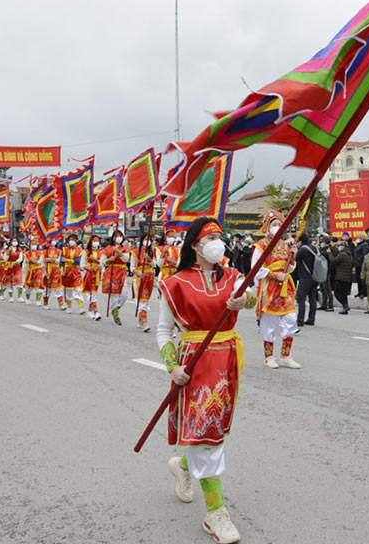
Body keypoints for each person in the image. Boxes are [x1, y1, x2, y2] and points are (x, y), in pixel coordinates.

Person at [156, 217, 254, 544]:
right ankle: (216, 515)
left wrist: (244, 301)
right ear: (195, 245)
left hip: (227, 360)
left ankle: (183, 466)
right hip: (194, 364)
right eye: (210, 236)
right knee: (207, 434)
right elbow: (163, 331)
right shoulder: (176, 283)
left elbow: (251, 296)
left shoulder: (234, 278)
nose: (217, 242)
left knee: (211, 431)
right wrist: (172, 367)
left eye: (219, 236)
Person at [252, 211, 301, 369]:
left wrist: (293, 257)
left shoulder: (285, 245)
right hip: (269, 288)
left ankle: (285, 356)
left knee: (291, 320)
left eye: (280, 225)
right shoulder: (261, 246)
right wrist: (274, 275)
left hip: (286, 288)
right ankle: (269, 357)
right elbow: (256, 270)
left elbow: (291, 268)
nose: (277, 227)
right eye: (274, 224)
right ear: (267, 226)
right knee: (269, 323)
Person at [101, 228, 131, 326]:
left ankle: (115, 308)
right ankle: (115, 316)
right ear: (113, 237)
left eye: (120, 236)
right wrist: (109, 260)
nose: (118, 238)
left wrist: (117, 251)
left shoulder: (125, 248)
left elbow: (126, 259)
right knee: (114, 295)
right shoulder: (107, 248)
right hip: (111, 272)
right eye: (116, 236)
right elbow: (103, 262)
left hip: (122, 272)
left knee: (124, 294)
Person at [132, 235, 156, 332]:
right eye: (145, 239)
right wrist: (137, 273)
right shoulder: (135, 252)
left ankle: (140, 319)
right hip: (139, 278)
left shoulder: (152, 252)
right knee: (142, 299)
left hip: (149, 277)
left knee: (145, 299)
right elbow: (132, 267)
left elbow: (155, 265)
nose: (147, 241)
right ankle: (144, 321)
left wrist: (149, 259)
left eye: (149, 239)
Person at [294, 233, 318, 327]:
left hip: (305, 276)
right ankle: (311, 319)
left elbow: (296, 259)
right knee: (312, 298)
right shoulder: (314, 248)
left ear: (301, 241)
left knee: (301, 298)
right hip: (315, 276)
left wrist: (296, 250)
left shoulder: (303, 249)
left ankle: (300, 320)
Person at [327, 238, 354, 314]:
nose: (339, 247)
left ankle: (345, 305)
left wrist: (329, 253)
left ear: (343, 246)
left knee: (337, 293)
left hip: (341, 277)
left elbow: (333, 261)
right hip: (347, 277)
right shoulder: (350, 255)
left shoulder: (342, 254)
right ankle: (345, 307)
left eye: (340, 246)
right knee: (344, 293)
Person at [81, 235, 103, 320]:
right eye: (94, 241)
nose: (96, 242)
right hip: (89, 275)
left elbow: (102, 264)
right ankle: (96, 312)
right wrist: (88, 268)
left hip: (97, 274)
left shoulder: (101, 252)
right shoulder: (86, 252)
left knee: (93, 293)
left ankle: (90, 312)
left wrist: (95, 260)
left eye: (97, 241)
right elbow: (82, 265)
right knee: (92, 294)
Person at [61, 235, 84, 314]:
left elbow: (78, 261)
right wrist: (62, 270)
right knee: (68, 291)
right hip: (67, 271)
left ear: (77, 241)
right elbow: (61, 262)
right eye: (70, 239)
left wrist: (67, 260)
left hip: (76, 271)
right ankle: (69, 306)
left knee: (78, 289)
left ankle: (81, 307)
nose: (72, 241)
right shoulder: (64, 250)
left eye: (74, 239)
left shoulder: (80, 250)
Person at [42, 243, 66, 311]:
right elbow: (42, 262)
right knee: (47, 289)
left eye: (55, 240)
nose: (53, 242)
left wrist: (50, 260)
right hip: (48, 271)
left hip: (56, 271)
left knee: (58, 288)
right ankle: (45, 303)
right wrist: (44, 271)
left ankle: (61, 304)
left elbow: (60, 261)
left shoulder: (59, 251)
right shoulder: (44, 251)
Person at [23, 239, 46, 305]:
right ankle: (27, 299)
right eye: (33, 244)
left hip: (38, 271)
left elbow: (39, 262)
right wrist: (27, 268)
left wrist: (32, 260)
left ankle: (38, 300)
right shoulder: (26, 253)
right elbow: (24, 263)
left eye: (35, 244)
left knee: (39, 285)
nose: (34, 246)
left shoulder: (41, 253)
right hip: (30, 271)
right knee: (28, 286)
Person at [318, 235, 335, 312]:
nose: (321, 243)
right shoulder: (323, 249)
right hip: (321, 271)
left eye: (322, 242)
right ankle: (324, 304)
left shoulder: (328, 250)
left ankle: (330, 305)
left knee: (327, 289)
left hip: (326, 271)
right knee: (322, 289)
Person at [353, 231, 369, 298]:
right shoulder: (359, 244)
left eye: (358, 237)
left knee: (362, 279)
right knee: (358, 279)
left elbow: (364, 255)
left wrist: (359, 262)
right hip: (357, 264)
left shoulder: (364, 245)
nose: (357, 239)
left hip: (361, 265)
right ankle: (359, 292)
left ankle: (364, 292)